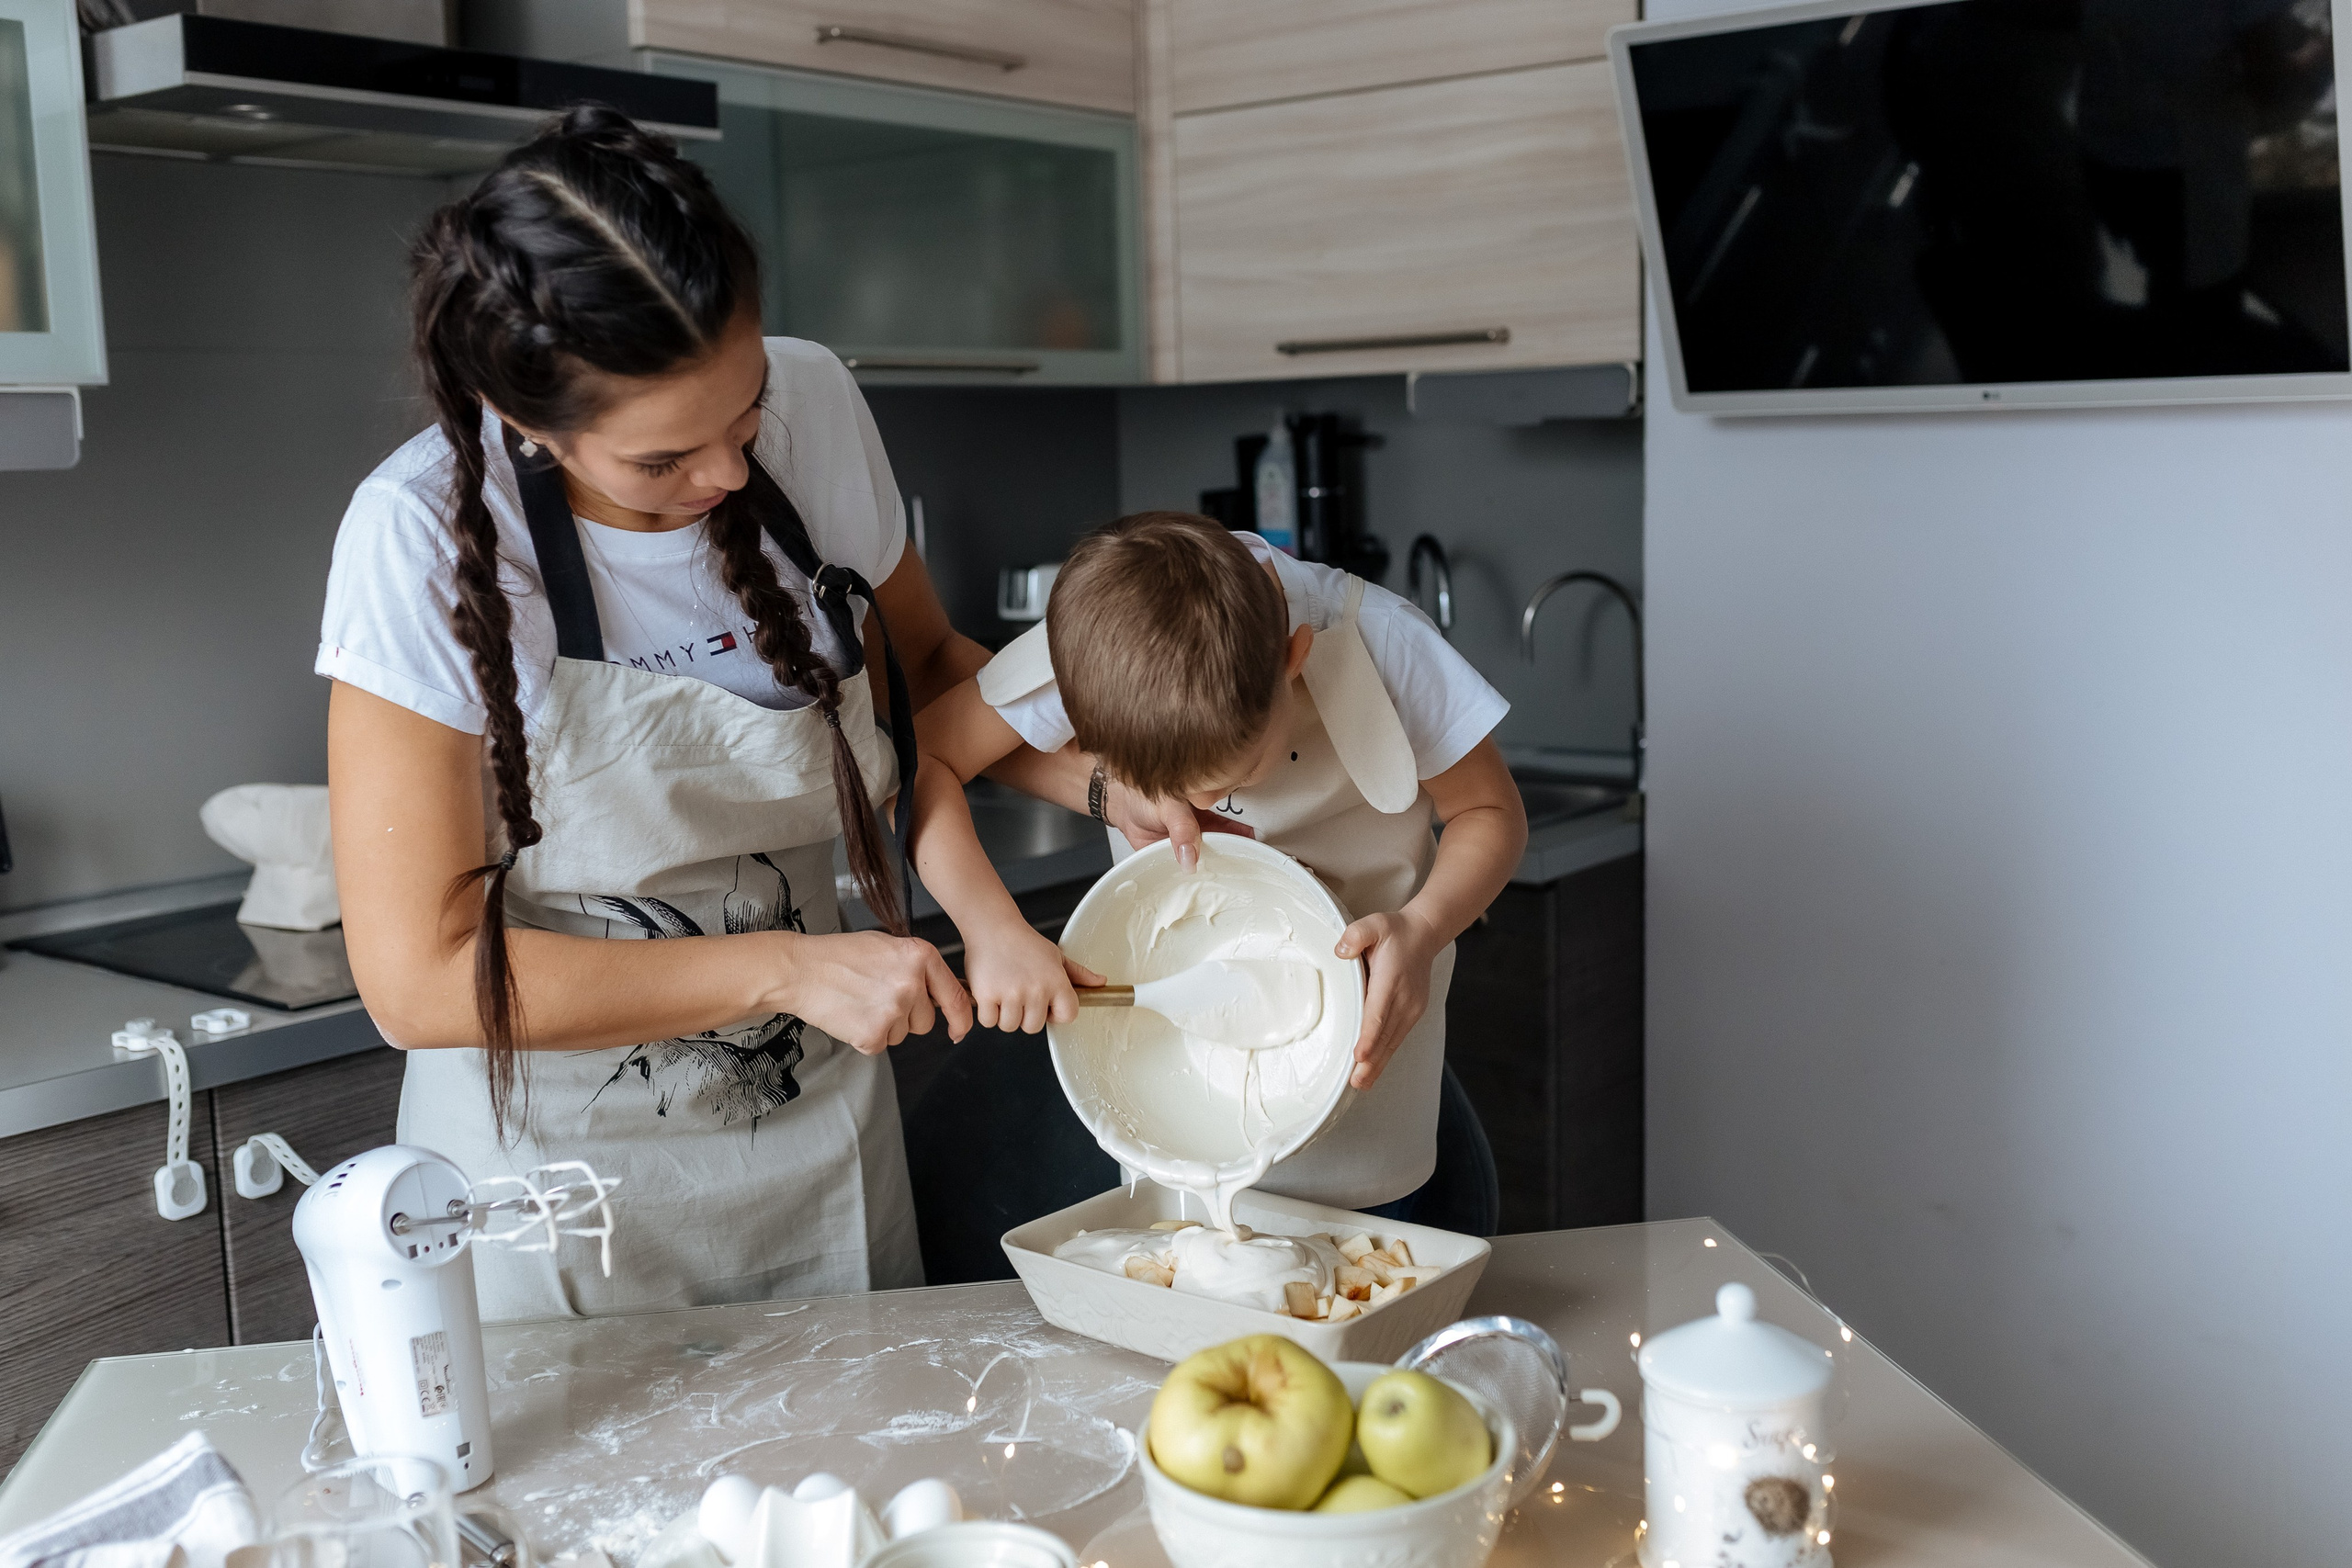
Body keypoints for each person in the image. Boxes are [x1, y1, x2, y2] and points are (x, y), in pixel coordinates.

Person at [319, 107, 983, 1321]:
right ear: (523, 420)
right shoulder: (418, 536)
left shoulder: (818, 400)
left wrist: (1121, 769)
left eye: (745, 414)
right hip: (560, 1192)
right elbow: (418, 977)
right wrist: (785, 963)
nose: (730, 473)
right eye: (662, 461)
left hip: (822, 1143)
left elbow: (930, 668)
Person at [908, 512, 1527, 1221]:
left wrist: (1423, 927)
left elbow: (1492, 812)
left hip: (1371, 1110)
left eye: (1236, 771)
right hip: (1175, 1099)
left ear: (1292, 660)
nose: (1203, 805)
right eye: (1175, 789)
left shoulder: (1384, 645)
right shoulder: (1098, 644)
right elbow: (918, 760)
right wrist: (992, 926)